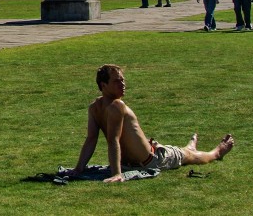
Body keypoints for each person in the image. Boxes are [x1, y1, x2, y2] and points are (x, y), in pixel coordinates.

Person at [69, 64, 234, 182]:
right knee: (185, 153)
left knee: (189, 156)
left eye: (123, 80)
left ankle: (217, 152)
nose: (123, 84)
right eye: (117, 81)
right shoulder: (96, 108)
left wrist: (116, 174)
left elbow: (113, 140)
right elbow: (91, 139)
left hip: (154, 159)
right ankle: (190, 147)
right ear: (103, 85)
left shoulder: (115, 106)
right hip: (135, 162)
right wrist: (79, 169)